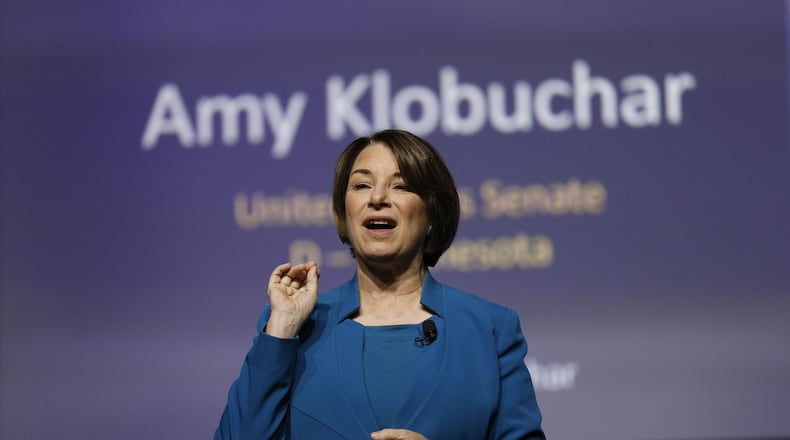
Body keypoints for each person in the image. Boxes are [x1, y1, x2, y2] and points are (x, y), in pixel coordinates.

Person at [215, 129, 545, 439]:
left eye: (400, 186)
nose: (377, 197)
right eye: (361, 186)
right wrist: (282, 327)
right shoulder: (295, 328)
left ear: (432, 212)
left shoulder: (489, 330)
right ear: (345, 212)